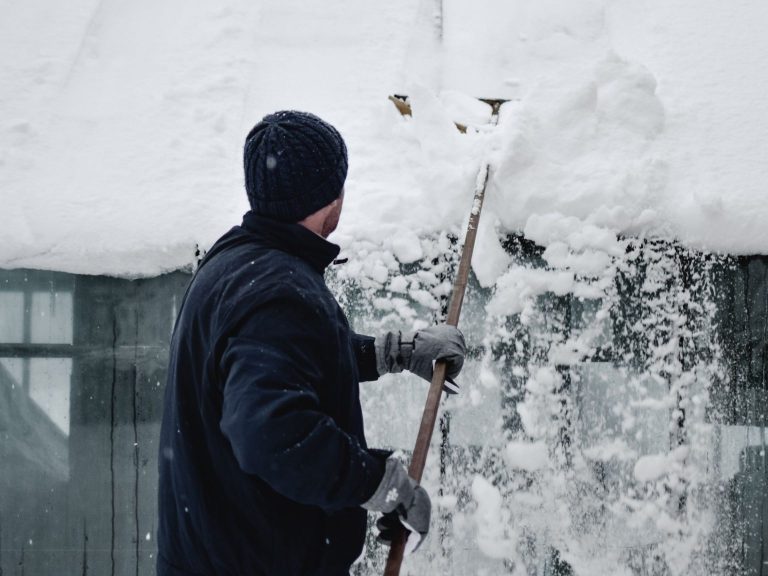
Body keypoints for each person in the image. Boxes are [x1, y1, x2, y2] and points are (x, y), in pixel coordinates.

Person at [157, 111, 466, 576]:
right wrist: (377, 483)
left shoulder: (234, 265)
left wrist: (394, 352)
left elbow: (291, 360)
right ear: (332, 197)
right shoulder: (278, 290)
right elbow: (272, 433)